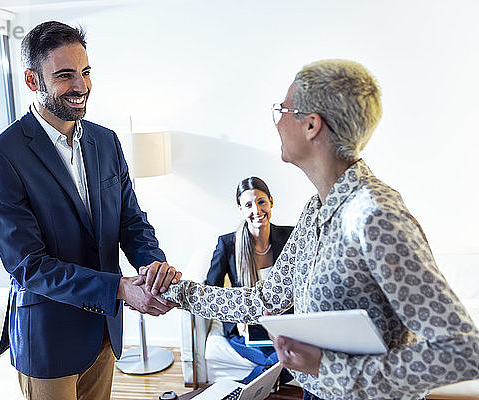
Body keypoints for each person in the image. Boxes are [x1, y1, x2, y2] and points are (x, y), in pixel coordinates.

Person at [154, 59, 479, 400]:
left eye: (283, 109)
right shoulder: (314, 211)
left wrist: (329, 367)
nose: (277, 122)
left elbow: (461, 350)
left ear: (312, 125)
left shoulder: (376, 217)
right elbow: (265, 299)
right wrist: (176, 293)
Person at [0, 21, 179, 400]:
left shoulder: (106, 141)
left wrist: (152, 267)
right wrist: (119, 288)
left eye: (85, 72)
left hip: (104, 329)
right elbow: (27, 265)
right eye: (65, 75)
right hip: (48, 338)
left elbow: (130, 219)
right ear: (32, 80)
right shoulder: (0, 157)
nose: (81, 86)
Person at [205, 176, 294, 384]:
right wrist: (236, 318)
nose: (256, 209)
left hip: (282, 324)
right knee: (280, 360)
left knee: (288, 355)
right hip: (246, 328)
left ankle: (240, 391)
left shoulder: (290, 236)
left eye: (261, 201)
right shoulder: (227, 244)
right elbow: (211, 290)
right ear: (240, 209)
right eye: (248, 205)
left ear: (271, 202)